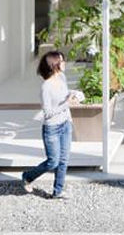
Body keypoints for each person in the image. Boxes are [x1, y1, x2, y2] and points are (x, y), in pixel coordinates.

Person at [21, 50, 83, 199]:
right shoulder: (46, 87)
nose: (64, 63)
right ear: (53, 65)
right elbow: (47, 113)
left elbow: (65, 94)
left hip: (65, 124)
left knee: (64, 160)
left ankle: (58, 191)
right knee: (53, 161)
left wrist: (76, 94)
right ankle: (28, 176)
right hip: (52, 128)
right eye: (61, 61)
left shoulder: (62, 77)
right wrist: (66, 104)